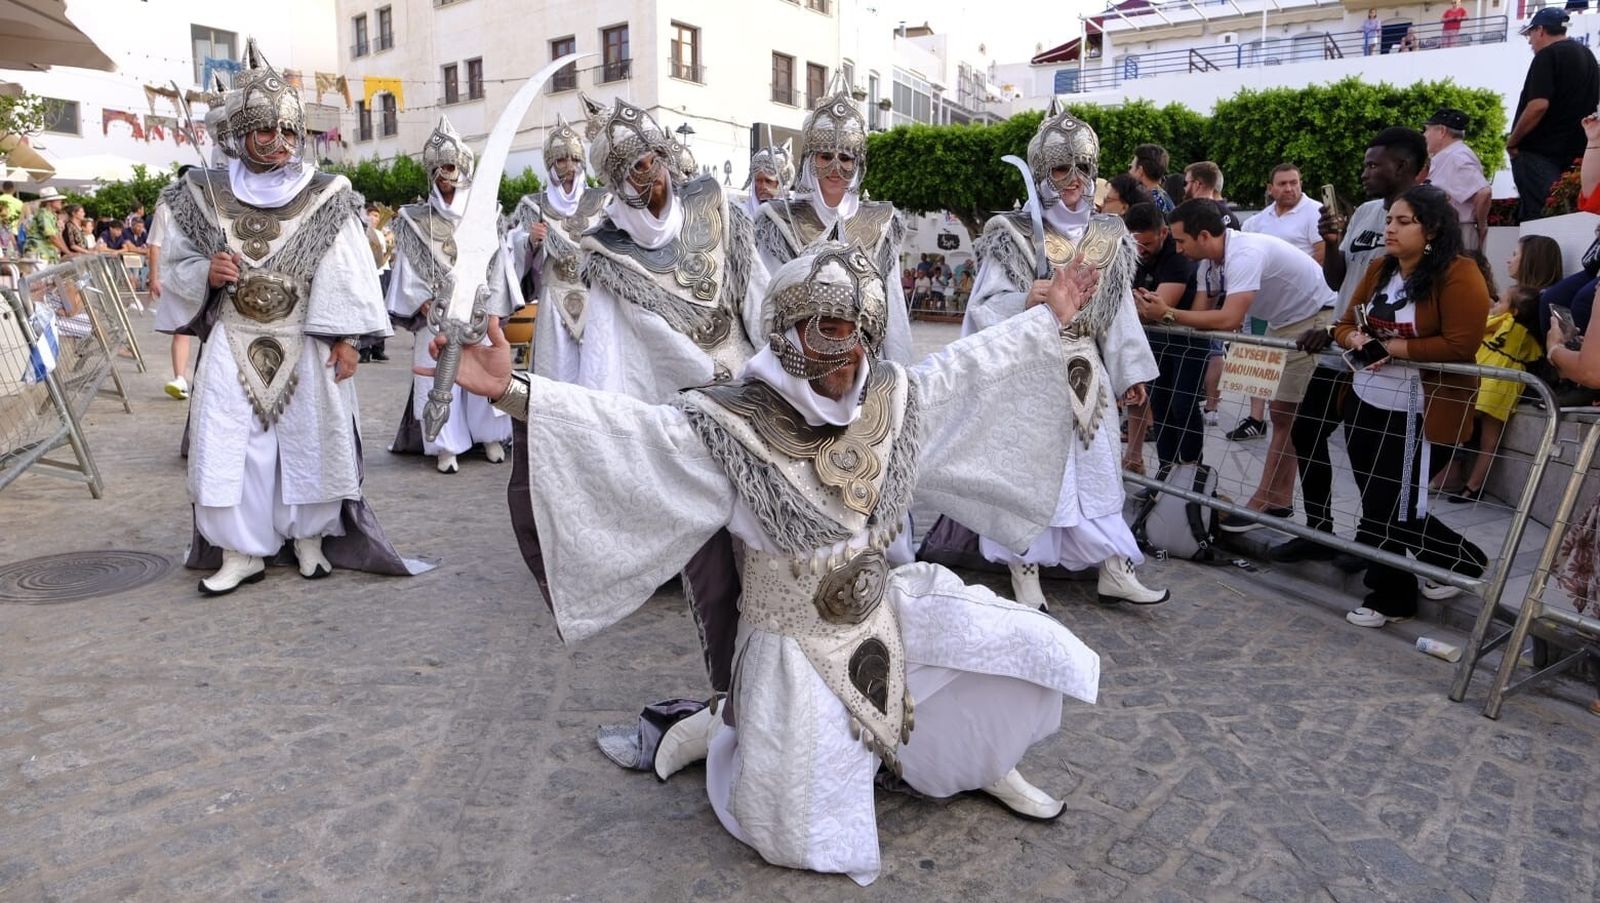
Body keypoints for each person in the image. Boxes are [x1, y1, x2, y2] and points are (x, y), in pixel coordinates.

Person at [428, 241, 1104, 884]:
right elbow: (629, 436)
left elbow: (967, 373)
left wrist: (1047, 322)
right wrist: (513, 390)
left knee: (1035, 651)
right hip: (790, 652)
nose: (851, 355)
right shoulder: (730, 426)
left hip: (887, 610)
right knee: (807, 834)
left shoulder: (887, 398)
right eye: (830, 330)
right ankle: (733, 731)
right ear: (788, 332)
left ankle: (965, 754)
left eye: (861, 331)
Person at [156, 37, 423, 594]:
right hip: (233, 336)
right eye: (263, 130)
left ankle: (310, 540)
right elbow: (174, 264)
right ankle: (240, 549)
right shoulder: (200, 194)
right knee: (229, 441)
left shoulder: (329, 193)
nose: (277, 142)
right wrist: (205, 272)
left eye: (287, 131)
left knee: (311, 437)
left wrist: (347, 339)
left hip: (308, 336)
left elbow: (346, 270)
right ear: (238, 135)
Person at [937, 102, 1167, 610]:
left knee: (1098, 472)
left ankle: (1113, 567)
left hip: (1089, 375)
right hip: (1029, 371)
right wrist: (1027, 299)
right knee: (1033, 473)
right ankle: (1025, 571)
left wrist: (1131, 372)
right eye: (1061, 169)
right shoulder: (1010, 233)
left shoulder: (1109, 235)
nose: (1073, 181)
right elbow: (984, 307)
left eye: (1082, 169)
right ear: (1041, 174)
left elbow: (1118, 313)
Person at [1328, 186, 1490, 628]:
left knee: (1396, 503)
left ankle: (1411, 585)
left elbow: (1461, 344)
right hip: (1366, 399)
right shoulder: (1382, 267)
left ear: (1432, 228)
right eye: (1389, 221)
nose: (1390, 229)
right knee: (1379, 500)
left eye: (1403, 222)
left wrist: (1393, 347)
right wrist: (1356, 339)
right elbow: (1343, 323)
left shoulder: (1459, 273)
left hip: (1422, 407)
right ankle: (1431, 575)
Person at [1273, 126, 1427, 562]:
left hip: (1380, 357)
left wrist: (1364, 334)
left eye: (1373, 164)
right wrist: (1334, 242)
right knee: (1306, 431)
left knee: (1368, 453)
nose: (1365, 172)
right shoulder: (1363, 213)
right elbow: (1338, 279)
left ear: (1402, 167)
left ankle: (1370, 539)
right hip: (1342, 345)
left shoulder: (1420, 215)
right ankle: (1318, 530)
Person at [1141, 200, 1338, 532]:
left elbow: (1229, 318)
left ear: (1203, 236)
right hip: (1284, 321)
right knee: (1283, 415)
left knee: (1287, 416)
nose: (1177, 248)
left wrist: (1167, 314)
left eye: (1180, 241)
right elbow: (1206, 320)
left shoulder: (1243, 253)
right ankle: (1276, 500)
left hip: (1313, 320)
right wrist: (1160, 311)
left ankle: (1270, 501)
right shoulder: (1209, 262)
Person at [385, 117, 518, 474]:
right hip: (437, 312)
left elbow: (497, 263)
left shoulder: (486, 213)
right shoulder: (414, 219)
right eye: (439, 169)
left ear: (463, 168)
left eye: (451, 167)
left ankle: (490, 436)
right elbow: (407, 268)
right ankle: (445, 445)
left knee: (480, 374)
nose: (446, 176)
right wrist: (423, 301)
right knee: (439, 377)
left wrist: (490, 307)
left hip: (475, 308)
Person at [752, 85, 914, 365]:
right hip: (798, 359)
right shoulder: (777, 222)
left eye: (846, 158)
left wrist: (900, 371)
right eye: (826, 156)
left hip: (863, 361)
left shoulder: (880, 224)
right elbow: (766, 302)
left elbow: (893, 308)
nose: (835, 168)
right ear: (810, 160)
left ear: (859, 163)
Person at [1436, 236, 1558, 502]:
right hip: (1497, 381)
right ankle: (1470, 485)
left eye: (1515, 253)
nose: (1508, 258)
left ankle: (1461, 480)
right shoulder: (1524, 302)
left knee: (1469, 429)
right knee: (1483, 437)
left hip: (1493, 380)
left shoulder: (1524, 307)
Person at [1126, 202, 1204, 473]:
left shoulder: (1177, 254)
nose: (1140, 251)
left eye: (1146, 243)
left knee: (1183, 405)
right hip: (1159, 341)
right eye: (1135, 244)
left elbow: (1156, 309)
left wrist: (1136, 306)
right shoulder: (1133, 252)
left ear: (1163, 233)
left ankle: (1193, 472)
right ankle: (1166, 471)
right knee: (1159, 406)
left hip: (1188, 339)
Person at [1508, 7, 1600, 222]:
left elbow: (1538, 105)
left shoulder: (1547, 55)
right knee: (1566, 217)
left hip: (1540, 152)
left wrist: (1513, 141)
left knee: (1539, 217)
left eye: (1530, 34)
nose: (1529, 41)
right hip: (1576, 153)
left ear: (1540, 30)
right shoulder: (1587, 56)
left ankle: (1536, 256)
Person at [147, 176, 193, 400]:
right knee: (210, 329)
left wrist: (154, 278)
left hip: (174, 275)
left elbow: (154, 246)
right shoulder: (210, 203)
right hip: (199, 273)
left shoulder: (165, 207)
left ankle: (181, 378)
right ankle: (194, 379)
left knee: (181, 330)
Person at [1422, 109, 1490, 251]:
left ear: (1441, 131)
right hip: (1447, 233)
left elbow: (1484, 193)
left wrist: (1481, 226)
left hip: (1457, 234)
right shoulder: (1448, 156)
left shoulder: (1458, 157)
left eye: (1427, 130)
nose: (1424, 135)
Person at [1243, 163, 1324, 262]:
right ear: (1270, 189)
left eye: (1294, 183)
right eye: (1282, 184)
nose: (1288, 189)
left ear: (1301, 184)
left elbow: (1323, 254)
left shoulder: (1316, 211)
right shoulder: (1259, 219)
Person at [740, 137, 793, 219]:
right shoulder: (743, 214)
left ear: (780, 184)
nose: (763, 186)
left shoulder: (793, 215)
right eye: (759, 181)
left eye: (768, 181)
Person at [23, 187, 66, 262]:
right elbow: (52, 237)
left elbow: (57, 237)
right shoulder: (43, 214)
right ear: (49, 203)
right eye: (58, 200)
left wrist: (66, 252)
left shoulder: (51, 215)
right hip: (38, 253)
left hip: (45, 253)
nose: (61, 202)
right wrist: (67, 252)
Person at [1129, 143, 1175, 213]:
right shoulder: (1164, 198)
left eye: (1131, 167)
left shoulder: (1142, 203)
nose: (1129, 172)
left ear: (1140, 170)